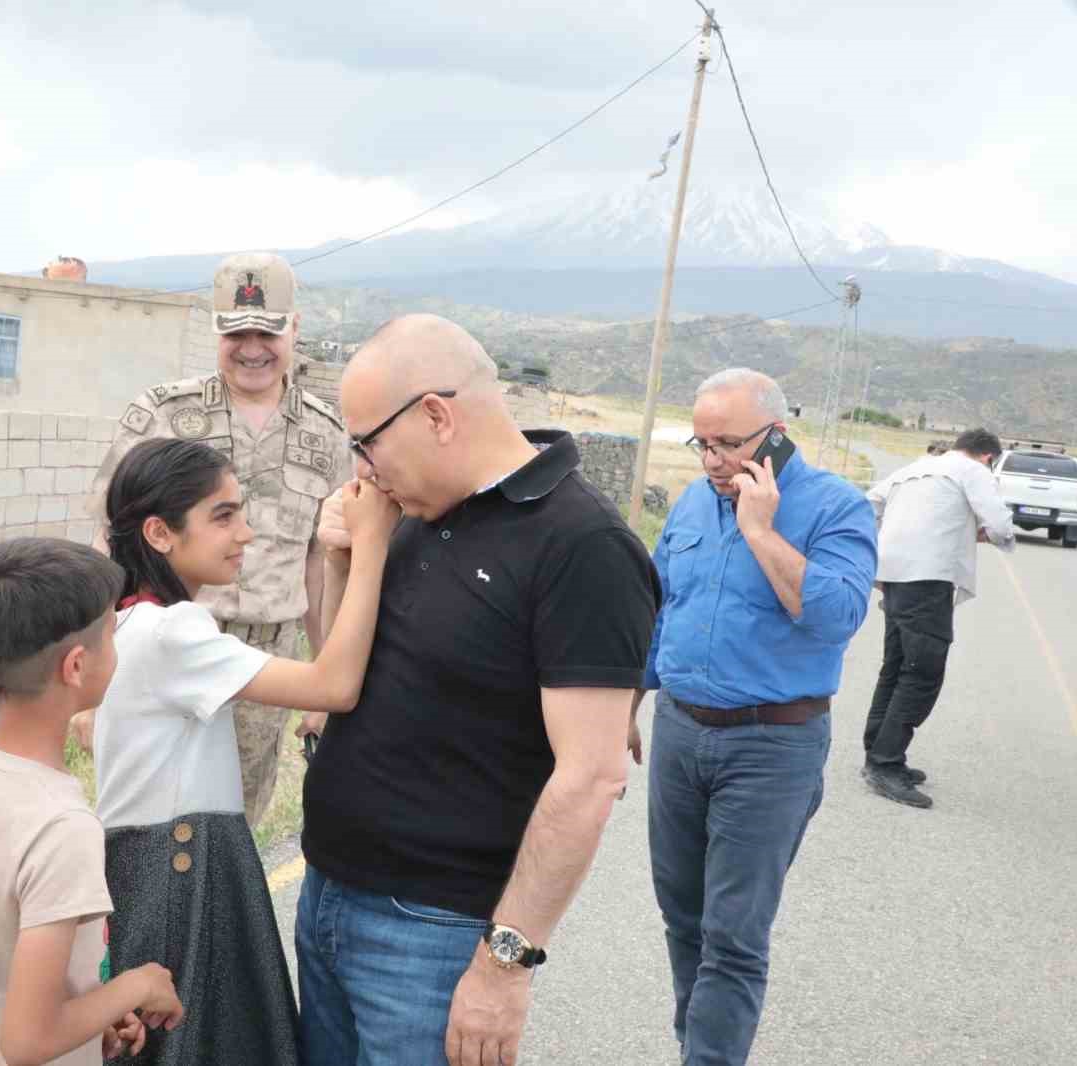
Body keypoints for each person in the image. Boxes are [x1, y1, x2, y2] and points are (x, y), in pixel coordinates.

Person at [297, 315, 660, 1066]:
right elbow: (341, 675)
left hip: (430, 930)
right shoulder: (410, 510)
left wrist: (504, 968)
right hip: (327, 890)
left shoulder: (583, 547)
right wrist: (342, 559)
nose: (362, 466)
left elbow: (590, 777)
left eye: (367, 441)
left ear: (435, 415)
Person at [94, 437, 397, 1065]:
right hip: (183, 867)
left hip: (153, 867)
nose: (247, 534)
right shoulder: (172, 630)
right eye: (223, 515)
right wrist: (372, 547)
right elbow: (334, 687)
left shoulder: (125, 622)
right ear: (159, 532)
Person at [632, 367, 877, 1065]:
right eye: (701, 443)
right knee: (683, 918)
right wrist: (627, 704)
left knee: (732, 935)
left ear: (778, 435)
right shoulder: (689, 503)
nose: (713, 460)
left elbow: (837, 617)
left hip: (773, 745)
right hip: (680, 734)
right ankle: (699, 1048)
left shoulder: (837, 507)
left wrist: (761, 531)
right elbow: (660, 610)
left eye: (729, 444)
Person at [76, 252, 351, 829]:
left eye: (267, 332)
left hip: (266, 654)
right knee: (144, 823)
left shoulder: (327, 435)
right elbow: (106, 542)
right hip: (162, 646)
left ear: (294, 329)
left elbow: (321, 567)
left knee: (235, 824)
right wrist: (89, 679)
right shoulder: (161, 414)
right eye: (236, 333)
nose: (252, 347)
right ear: (215, 332)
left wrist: (320, 686)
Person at [0, 539, 184, 1066]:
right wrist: (136, 986)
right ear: (76, 666)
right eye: (111, 632)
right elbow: (28, 1042)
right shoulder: (63, 827)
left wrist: (93, 1012)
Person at [861, 429, 1014, 809]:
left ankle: (876, 752)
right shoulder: (973, 471)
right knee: (922, 673)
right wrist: (1000, 538)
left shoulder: (918, 466)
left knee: (896, 667)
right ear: (987, 457)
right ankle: (885, 764)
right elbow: (998, 523)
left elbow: (869, 504)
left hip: (893, 575)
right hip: (927, 578)